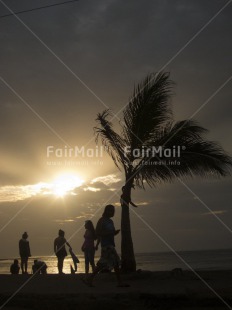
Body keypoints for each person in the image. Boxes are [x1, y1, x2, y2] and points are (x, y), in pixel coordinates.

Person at [82, 205, 129, 287]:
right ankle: (90, 278)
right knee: (109, 263)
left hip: (111, 244)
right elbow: (97, 233)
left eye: (113, 210)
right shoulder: (101, 220)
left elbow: (111, 232)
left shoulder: (111, 221)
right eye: (111, 210)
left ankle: (90, 279)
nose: (113, 212)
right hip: (106, 245)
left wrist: (114, 233)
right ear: (107, 211)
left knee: (114, 263)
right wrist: (109, 233)